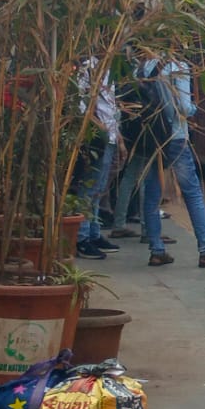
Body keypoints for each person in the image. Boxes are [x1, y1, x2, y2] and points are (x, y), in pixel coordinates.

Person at [137, 57, 205, 269]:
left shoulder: (146, 65)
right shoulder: (177, 66)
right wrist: (193, 110)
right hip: (175, 137)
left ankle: (156, 250)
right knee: (192, 193)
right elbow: (182, 107)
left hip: (152, 138)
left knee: (152, 193)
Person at [73, 59, 122, 260]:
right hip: (96, 136)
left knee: (100, 187)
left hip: (109, 135)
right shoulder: (90, 67)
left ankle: (93, 232)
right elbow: (81, 102)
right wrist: (98, 127)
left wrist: (117, 136)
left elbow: (111, 105)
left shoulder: (111, 67)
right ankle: (81, 238)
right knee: (90, 187)